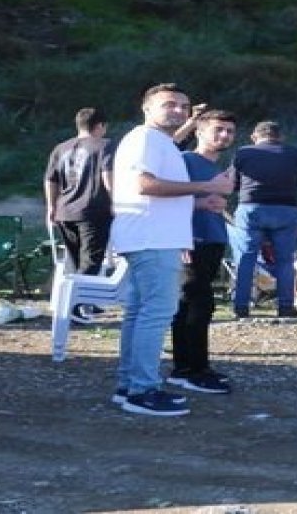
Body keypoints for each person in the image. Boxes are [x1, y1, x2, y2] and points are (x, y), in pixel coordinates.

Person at [110, 83, 233, 416]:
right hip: (153, 240)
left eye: (184, 106)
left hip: (149, 236)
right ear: (147, 108)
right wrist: (208, 185)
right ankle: (143, 391)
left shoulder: (158, 142)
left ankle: (129, 385)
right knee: (157, 313)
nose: (178, 111)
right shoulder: (146, 139)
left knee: (139, 313)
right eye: (170, 105)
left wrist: (199, 202)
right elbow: (144, 185)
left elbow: (154, 194)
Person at [168, 109, 238, 394]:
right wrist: (181, 238)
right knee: (195, 304)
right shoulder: (184, 161)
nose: (224, 135)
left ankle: (194, 366)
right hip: (191, 240)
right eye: (218, 129)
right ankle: (189, 370)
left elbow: (210, 202)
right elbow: (169, 201)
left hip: (213, 238)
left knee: (198, 304)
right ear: (199, 131)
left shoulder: (218, 168)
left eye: (230, 131)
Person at [230, 121, 297, 319]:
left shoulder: (243, 152)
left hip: (252, 209)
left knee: (245, 259)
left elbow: (232, 184)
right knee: (285, 261)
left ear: (254, 136)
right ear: (280, 137)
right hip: (285, 210)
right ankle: (285, 307)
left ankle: (241, 307)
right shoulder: (293, 152)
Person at [44, 107, 114, 275]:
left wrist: (51, 207)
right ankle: (85, 299)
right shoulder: (105, 145)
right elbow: (108, 175)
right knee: (90, 262)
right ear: (100, 126)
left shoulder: (60, 148)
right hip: (93, 211)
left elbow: (50, 180)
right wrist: (115, 201)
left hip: (65, 212)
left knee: (77, 261)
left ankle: (75, 296)